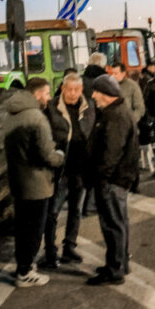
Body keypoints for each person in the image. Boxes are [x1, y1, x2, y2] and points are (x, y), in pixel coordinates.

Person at [1, 77, 64, 286]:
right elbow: (46, 154)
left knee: (22, 227)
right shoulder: (37, 118)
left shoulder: (12, 115)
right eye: (46, 93)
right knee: (34, 229)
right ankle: (26, 272)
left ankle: (22, 266)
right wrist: (60, 156)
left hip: (18, 181)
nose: (48, 97)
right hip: (37, 184)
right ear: (37, 94)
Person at [86, 75, 138, 286]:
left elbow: (111, 153)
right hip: (118, 179)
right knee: (119, 223)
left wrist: (102, 177)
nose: (93, 96)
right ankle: (120, 262)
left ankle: (114, 270)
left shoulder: (115, 116)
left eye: (96, 92)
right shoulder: (115, 111)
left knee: (112, 226)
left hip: (112, 181)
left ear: (106, 94)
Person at [40, 72, 95, 269]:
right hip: (60, 170)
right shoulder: (52, 108)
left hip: (81, 169)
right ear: (63, 89)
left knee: (76, 210)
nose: (73, 94)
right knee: (53, 212)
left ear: (81, 90)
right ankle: (50, 251)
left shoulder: (89, 107)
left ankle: (69, 247)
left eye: (76, 90)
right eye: (69, 89)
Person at [108, 61, 148, 174]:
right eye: (112, 73)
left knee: (130, 157)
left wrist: (132, 121)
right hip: (113, 126)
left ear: (123, 73)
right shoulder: (109, 86)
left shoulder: (132, 86)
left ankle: (133, 180)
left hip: (129, 126)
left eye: (116, 73)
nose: (113, 76)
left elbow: (140, 107)